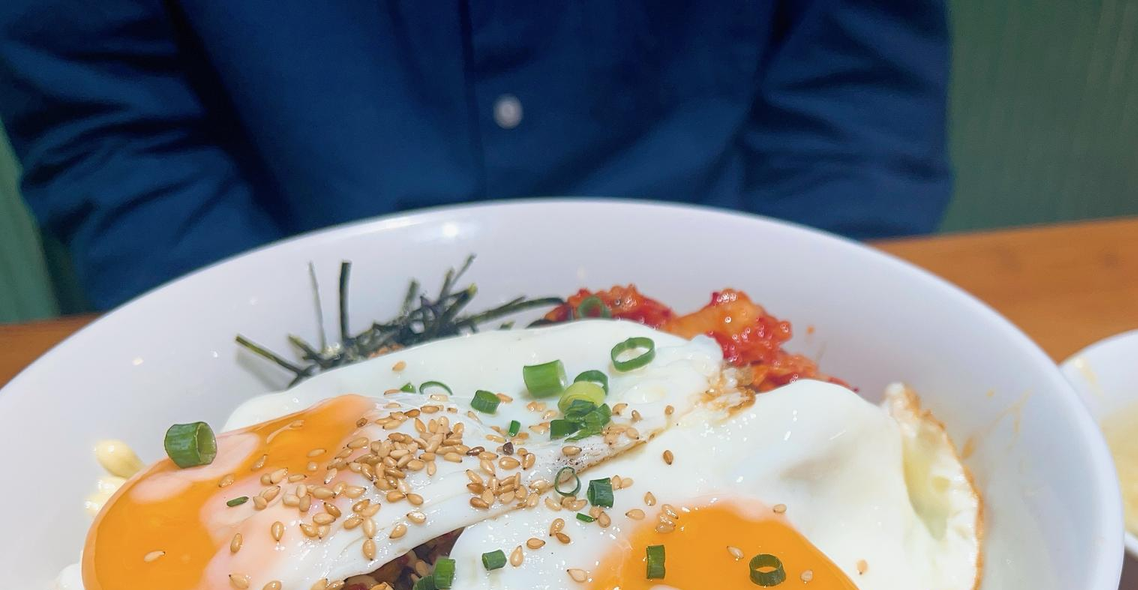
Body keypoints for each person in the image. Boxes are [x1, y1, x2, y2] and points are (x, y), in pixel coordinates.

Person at [0, 2, 951, 310]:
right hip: (284, 302)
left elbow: (857, 91)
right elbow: (107, 122)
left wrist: (788, 363)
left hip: (730, 280)